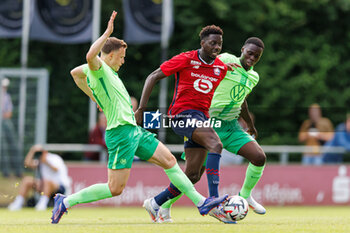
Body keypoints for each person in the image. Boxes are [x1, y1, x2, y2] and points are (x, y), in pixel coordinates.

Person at [51, 11, 227, 224]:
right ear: (109, 55)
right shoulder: (98, 69)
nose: (123, 61)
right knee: (114, 188)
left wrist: (92, 95)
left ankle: (201, 203)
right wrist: (107, 33)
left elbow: (74, 73)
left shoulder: (102, 73)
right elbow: (89, 58)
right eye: (121, 56)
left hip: (133, 129)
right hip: (120, 133)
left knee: (170, 161)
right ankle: (66, 201)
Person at [151, 38, 267, 224]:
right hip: (208, 122)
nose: (252, 58)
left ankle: (245, 196)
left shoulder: (254, 77)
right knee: (193, 175)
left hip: (231, 126)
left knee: (259, 157)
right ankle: (161, 203)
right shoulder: (227, 58)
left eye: (257, 56)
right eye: (250, 53)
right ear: (242, 49)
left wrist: (249, 124)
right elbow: (207, 64)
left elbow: (241, 98)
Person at [134, 24, 235, 223]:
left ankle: (155, 203)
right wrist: (141, 109)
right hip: (181, 115)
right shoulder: (186, 58)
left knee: (193, 174)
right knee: (216, 144)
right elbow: (152, 76)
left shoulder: (221, 68)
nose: (216, 48)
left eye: (219, 44)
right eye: (212, 43)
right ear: (202, 43)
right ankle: (213, 200)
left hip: (201, 119)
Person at [8, 145, 70, 211]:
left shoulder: (54, 158)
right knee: (27, 180)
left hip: (59, 187)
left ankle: (42, 204)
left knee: (47, 181)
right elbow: (27, 163)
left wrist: (46, 161)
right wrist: (32, 151)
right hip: (44, 186)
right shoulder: (40, 161)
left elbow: (56, 169)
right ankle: (18, 203)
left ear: (45, 152)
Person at [1, 78, 22, 178]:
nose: (4, 88)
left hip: (5, 122)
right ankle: (6, 172)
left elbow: (9, 113)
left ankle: (18, 171)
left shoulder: (6, 97)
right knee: (3, 148)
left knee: (13, 145)